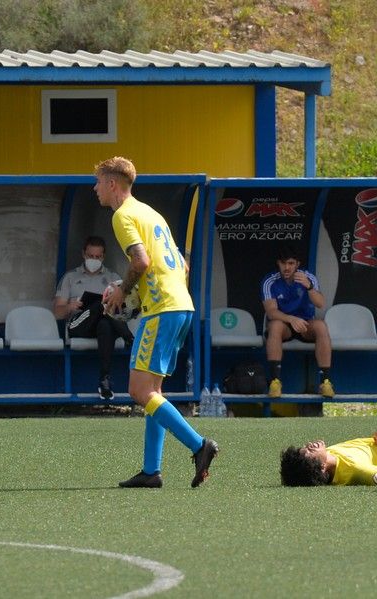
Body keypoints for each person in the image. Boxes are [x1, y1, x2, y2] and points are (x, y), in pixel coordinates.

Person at [96, 156, 218, 489]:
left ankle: (199, 445)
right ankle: (151, 471)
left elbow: (141, 261)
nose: (95, 189)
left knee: (138, 390)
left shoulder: (123, 216)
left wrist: (123, 290)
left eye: (98, 182)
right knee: (153, 392)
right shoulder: (151, 213)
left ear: (112, 184)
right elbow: (183, 266)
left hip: (161, 309)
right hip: (179, 304)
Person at [54, 235, 134, 400]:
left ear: (103, 257)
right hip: (78, 325)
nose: (94, 259)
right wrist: (70, 306)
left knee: (105, 324)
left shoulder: (113, 278)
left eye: (98, 257)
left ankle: (104, 380)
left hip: (104, 326)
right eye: (91, 256)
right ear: (84, 254)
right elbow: (57, 312)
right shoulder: (71, 277)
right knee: (99, 304)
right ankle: (131, 340)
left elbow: (123, 308)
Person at [261, 245, 334, 399]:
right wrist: (291, 319)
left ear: (297, 264)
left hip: (305, 324)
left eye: (291, 263)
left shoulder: (308, 277)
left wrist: (310, 287)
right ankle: (275, 382)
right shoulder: (270, 281)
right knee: (274, 325)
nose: (286, 267)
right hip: (284, 324)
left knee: (321, 326)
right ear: (278, 263)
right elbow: (271, 311)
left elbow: (321, 303)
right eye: (283, 263)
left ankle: (325, 382)